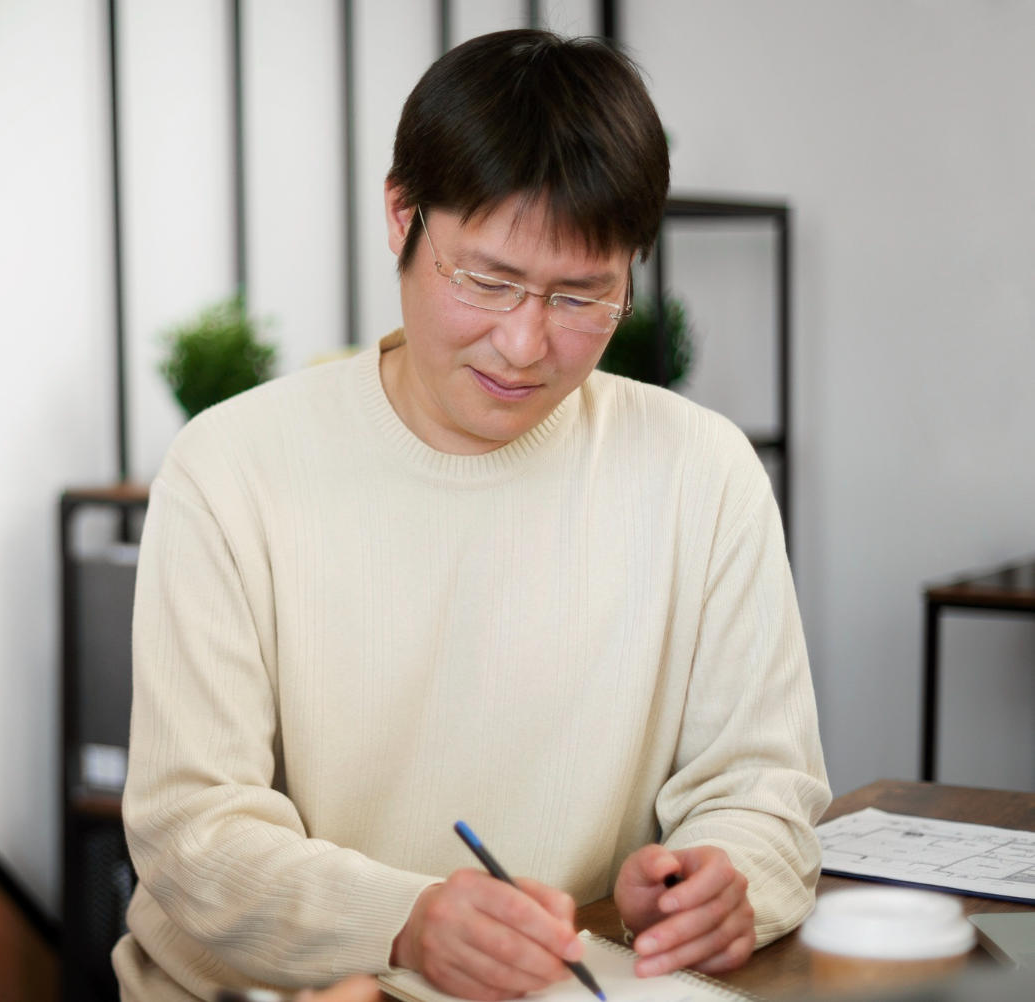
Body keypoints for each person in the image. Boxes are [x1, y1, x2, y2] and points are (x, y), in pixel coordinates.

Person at [116, 28, 830, 1002]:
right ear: (400, 216)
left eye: (583, 295)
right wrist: (403, 922)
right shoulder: (230, 469)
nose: (525, 343)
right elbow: (190, 829)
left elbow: (764, 787)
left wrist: (719, 877)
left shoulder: (701, 473)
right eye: (487, 280)